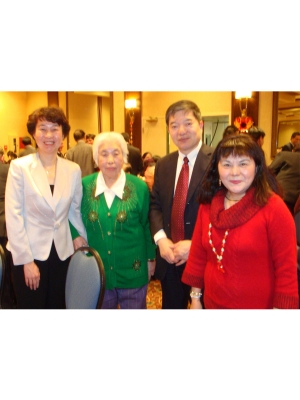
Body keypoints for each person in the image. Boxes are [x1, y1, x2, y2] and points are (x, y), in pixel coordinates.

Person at [181, 134, 299, 309]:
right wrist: (196, 298)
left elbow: (286, 271)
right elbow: (198, 256)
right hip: (213, 303)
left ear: (257, 167)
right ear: (217, 169)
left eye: (243, 164)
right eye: (227, 164)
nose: (234, 172)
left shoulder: (274, 208)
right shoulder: (208, 205)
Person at [5, 106, 88, 309]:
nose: (49, 135)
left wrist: (82, 240)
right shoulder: (20, 167)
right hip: (29, 254)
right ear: (34, 133)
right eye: (43, 128)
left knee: (59, 306)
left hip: (61, 254)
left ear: (63, 134)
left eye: (55, 128)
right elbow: (14, 215)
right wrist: (26, 261)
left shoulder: (73, 169)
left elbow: (74, 211)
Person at [70, 132, 156, 309]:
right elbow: (68, 214)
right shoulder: (84, 186)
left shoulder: (139, 187)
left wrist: (151, 259)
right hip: (97, 273)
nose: (110, 160)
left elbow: (147, 225)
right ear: (96, 158)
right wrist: (74, 235)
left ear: (124, 157)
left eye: (116, 154)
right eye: (104, 154)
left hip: (133, 271)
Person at [149, 100, 213, 309]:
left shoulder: (217, 162)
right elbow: (155, 205)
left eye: (187, 123)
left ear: (200, 125)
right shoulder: (164, 164)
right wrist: (161, 240)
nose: (181, 131)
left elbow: (221, 212)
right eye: (174, 126)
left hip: (205, 259)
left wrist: (196, 244)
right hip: (170, 258)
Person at [269, 142, 300, 214]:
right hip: (296, 201)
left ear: (293, 150)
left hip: (280, 194)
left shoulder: (284, 155)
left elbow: (269, 171)